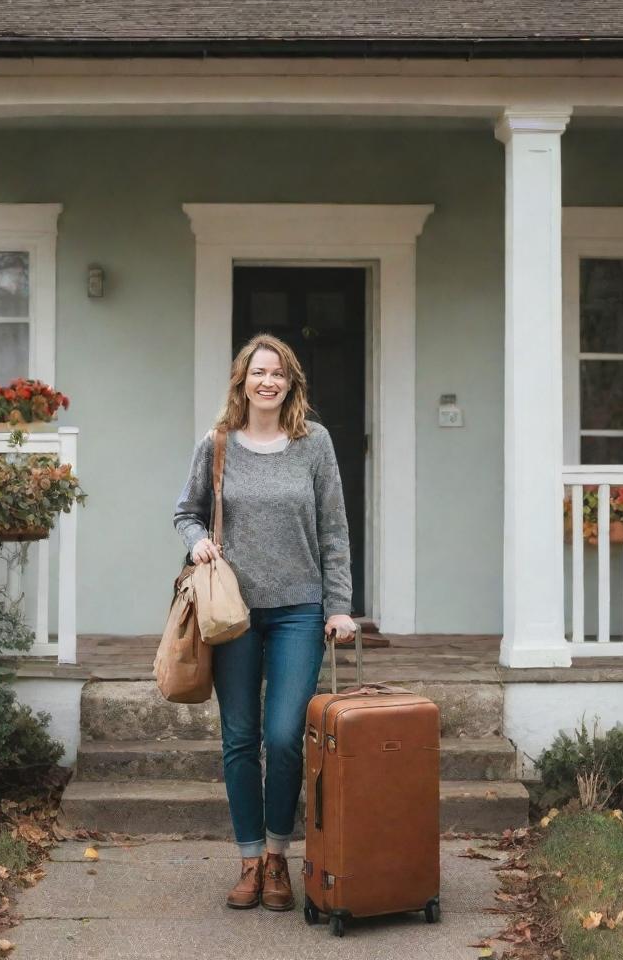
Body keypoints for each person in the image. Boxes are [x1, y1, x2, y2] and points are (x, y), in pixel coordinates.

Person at [174, 332, 356, 912]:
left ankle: (280, 855)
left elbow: (334, 530)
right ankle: (250, 862)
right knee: (239, 740)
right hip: (233, 615)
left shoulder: (314, 444)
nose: (268, 381)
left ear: (291, 382)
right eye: (258, 372)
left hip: (299, 610)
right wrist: (199, 541)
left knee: (283, 738)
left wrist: (338, 605)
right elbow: (186, 511)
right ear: (242, 381)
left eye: (278, 373)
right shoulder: (218, 443)